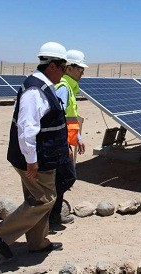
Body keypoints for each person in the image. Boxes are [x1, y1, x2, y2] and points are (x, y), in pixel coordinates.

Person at [0, 42, 69, 259]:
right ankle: (1, 233)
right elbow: (26, 129)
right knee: (45, 199)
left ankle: (38, 243)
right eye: (63, 67)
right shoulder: (36, 91)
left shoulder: (43, 85)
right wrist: (31, 161)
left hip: (43, 157)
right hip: (36, 159)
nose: (64, 73)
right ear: (52, 66)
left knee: (36, 198)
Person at [49, 49, 87, 228]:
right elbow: (58, 117)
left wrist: (77, 137)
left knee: (61, 179)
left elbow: (71, 116)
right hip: (59, 143)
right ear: (69, 68)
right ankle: (50, 215)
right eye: (79, 68)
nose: (82, 72)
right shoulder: (63, 87)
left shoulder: (69, 87)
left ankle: (54, 216)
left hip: (65, 141)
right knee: (66, 178)